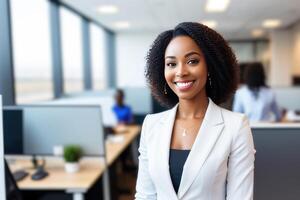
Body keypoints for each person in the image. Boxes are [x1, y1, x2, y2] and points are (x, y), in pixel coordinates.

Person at [135, 22, 255, 200]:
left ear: (210, 67)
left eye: (192, 61)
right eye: (171, 64)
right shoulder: (151, 125)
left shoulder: (235, 126)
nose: (181, 71)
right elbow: (145, 195)